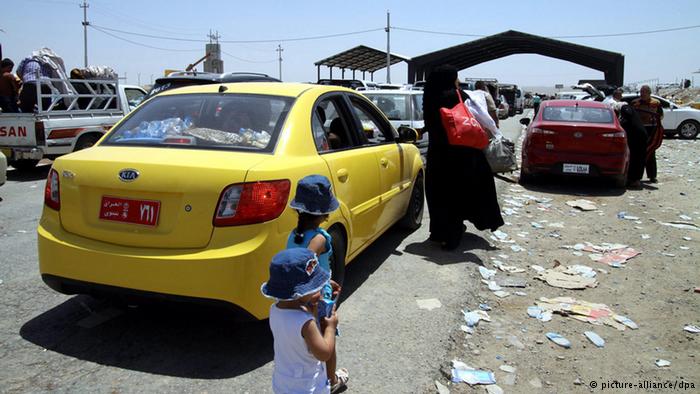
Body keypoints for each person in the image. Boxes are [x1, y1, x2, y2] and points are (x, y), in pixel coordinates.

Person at [422, 65, 504, 250]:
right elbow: (479, 120)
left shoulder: (429, 97)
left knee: (439, 195)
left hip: (438, 156)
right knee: (459, 194)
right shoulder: (458, 96)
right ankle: (453, 234)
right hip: (462, 155)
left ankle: (440, 232)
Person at [287, 174, 348, 393]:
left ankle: (311, 378)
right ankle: (331, 381)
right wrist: (321, 284)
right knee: (327, 340)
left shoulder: (293, 235)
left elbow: (304, 262)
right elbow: (307, 260)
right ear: (324, 213)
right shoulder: (321, 237)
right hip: (319, 296)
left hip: (299, 294)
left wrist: (323, 275)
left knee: (307, 343)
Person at [261, 248, 338, 394]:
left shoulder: (274, 309)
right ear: (300, 292)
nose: (319, 290)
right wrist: (330, 328)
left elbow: (295, 335)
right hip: (308, 387)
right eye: (315, 287)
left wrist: (312, 306)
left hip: (283, 383)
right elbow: (324, 353)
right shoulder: (306, 323)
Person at [631, 85, 664, 183]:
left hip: (651, 129)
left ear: (649, 93)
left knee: (651, 152)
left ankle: (652, 176)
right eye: (641, 91)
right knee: (638, 154)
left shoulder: (656, 103)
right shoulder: (635, 103)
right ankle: (636, 177)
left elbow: (661, 116)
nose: (643, 94)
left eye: (645, 92)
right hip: (639, 130)